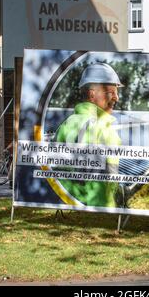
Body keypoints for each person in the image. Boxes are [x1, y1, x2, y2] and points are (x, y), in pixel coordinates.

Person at [54, 63, 124, 208]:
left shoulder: (65, 125)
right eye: (111, 92)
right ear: (92, 94)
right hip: (98, 208)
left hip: (68, 204)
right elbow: (107, 180)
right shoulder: (103, 128)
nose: (116, 98)